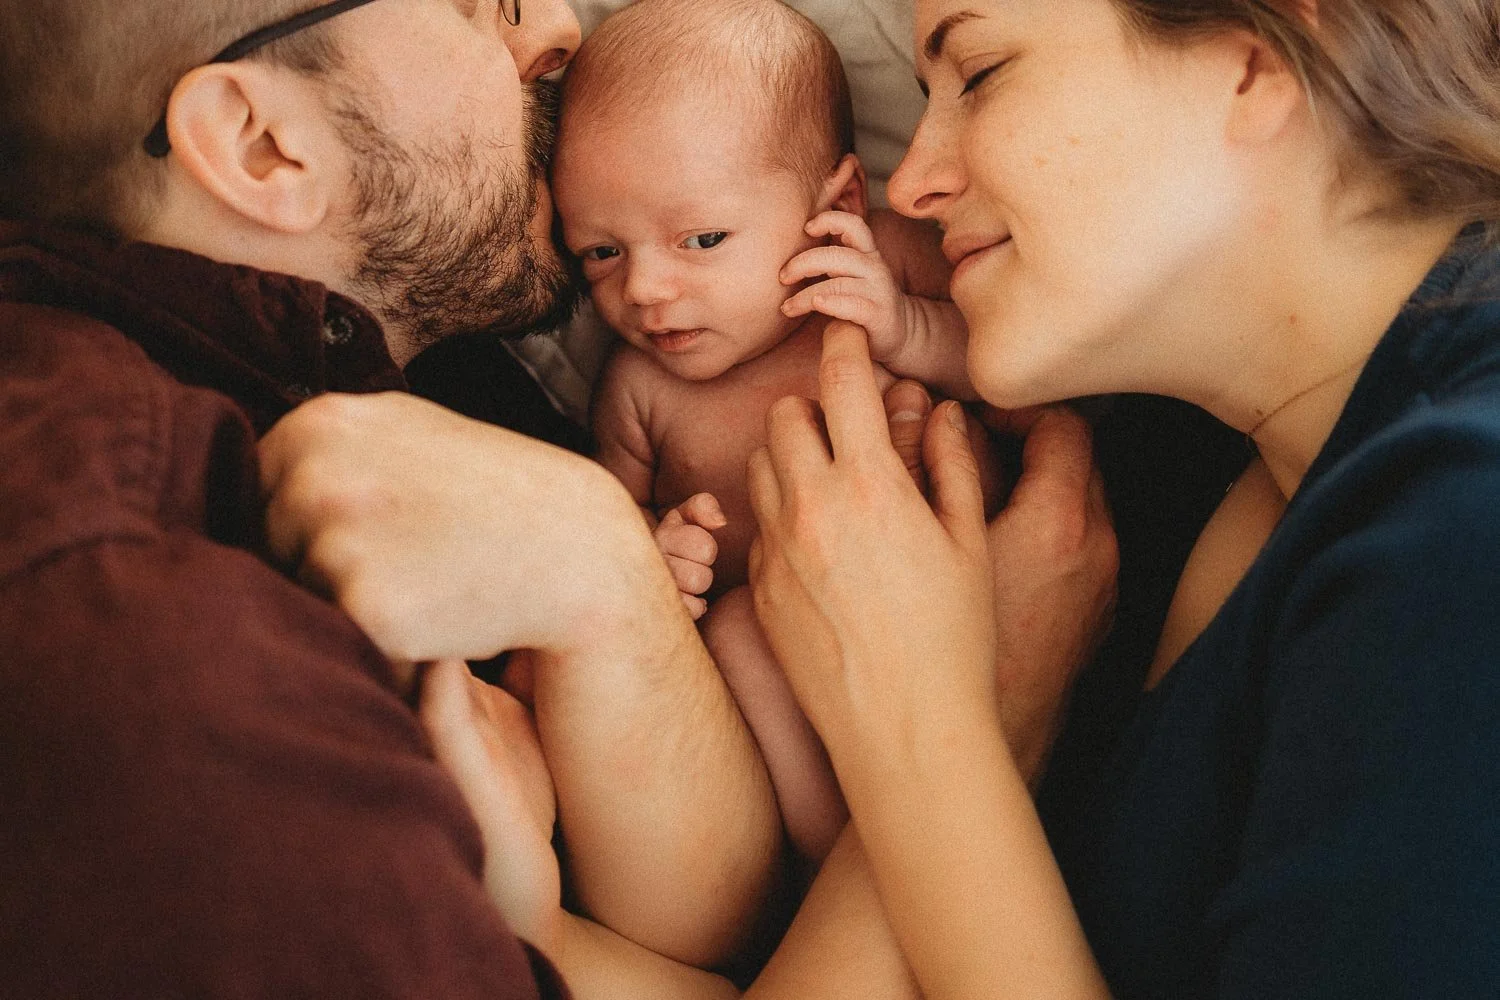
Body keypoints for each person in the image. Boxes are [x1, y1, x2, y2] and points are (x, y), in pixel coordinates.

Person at [0, 0, 787, 993]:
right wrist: (971, 738)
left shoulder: (428, 363)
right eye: (477, 5)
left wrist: (605, 569)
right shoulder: (150, 653)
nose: (557, 27)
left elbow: (733, 928)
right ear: (262, 148)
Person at [740, 0, 1500, 995]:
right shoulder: (1163, 469)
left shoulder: (1466, 537)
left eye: (979, 73)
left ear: (1262, 59)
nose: (915, 181)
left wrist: (915, 708)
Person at [551, 0, 975, 861]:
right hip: (786, 655)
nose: (646, 290)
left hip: (958, 608)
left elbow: (1009, 368)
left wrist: (908, 331)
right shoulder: (638, 388)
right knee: (740, 632)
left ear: (838, 201)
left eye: (701, 238)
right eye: (601, 252)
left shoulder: (881, 262)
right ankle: (836, 855)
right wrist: (652, 556)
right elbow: (604, 519)